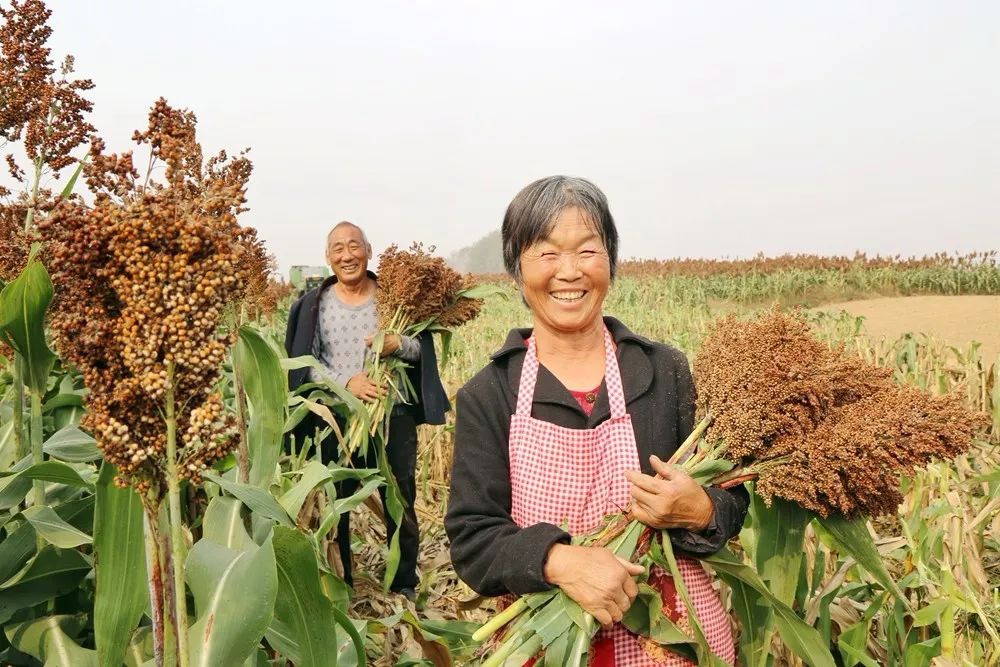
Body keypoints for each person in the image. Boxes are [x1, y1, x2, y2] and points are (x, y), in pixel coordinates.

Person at [445, 177, 748, 665]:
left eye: (587, 251)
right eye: (547, 254)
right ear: (517, 271)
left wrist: (701, 510)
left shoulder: (663, 371)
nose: (569, 272)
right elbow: (472, 537)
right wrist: (559, 561)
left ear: (609, 260)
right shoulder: (490, 393)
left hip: (674, 638)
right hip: (545, 642)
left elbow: (732, 501)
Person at [284, 221, 450, 600]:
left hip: (393, 416)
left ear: (368, 250)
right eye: (338, 249)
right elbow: (304, 362)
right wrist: (347, 383)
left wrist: (396, 343)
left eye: (354, 246)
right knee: (334, 499)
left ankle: (403, 582)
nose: (347, 255)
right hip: (337, 420)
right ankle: (341, 577)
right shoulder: (312, 305)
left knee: (400, 499)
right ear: (328, 258)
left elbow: (419, 349)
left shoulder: (396, 299)